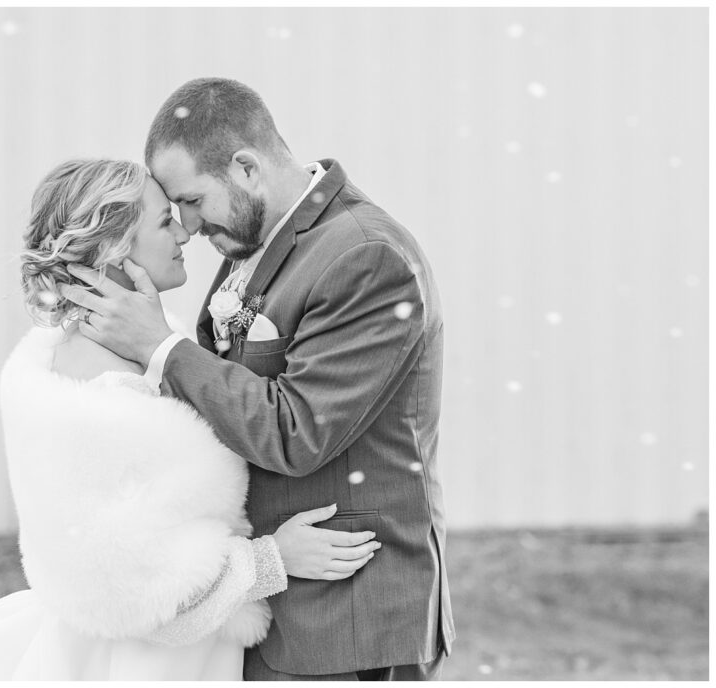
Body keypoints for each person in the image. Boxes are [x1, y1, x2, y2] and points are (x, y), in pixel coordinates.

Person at [61, 78, 456, 680]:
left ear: (246, 168)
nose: (188, 227)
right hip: (270, 602)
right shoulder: (253, 238)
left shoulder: (366, 255)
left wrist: (159, 347)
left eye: (192, 201)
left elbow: (296, 432)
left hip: (347, 618)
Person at [0, 158, 381, 681]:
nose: (185, 232)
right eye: (163, 221)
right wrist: (273, 560)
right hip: (139, 667)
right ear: (113, 249)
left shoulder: (136, 348)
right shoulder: (97, 401)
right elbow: (128, 591)